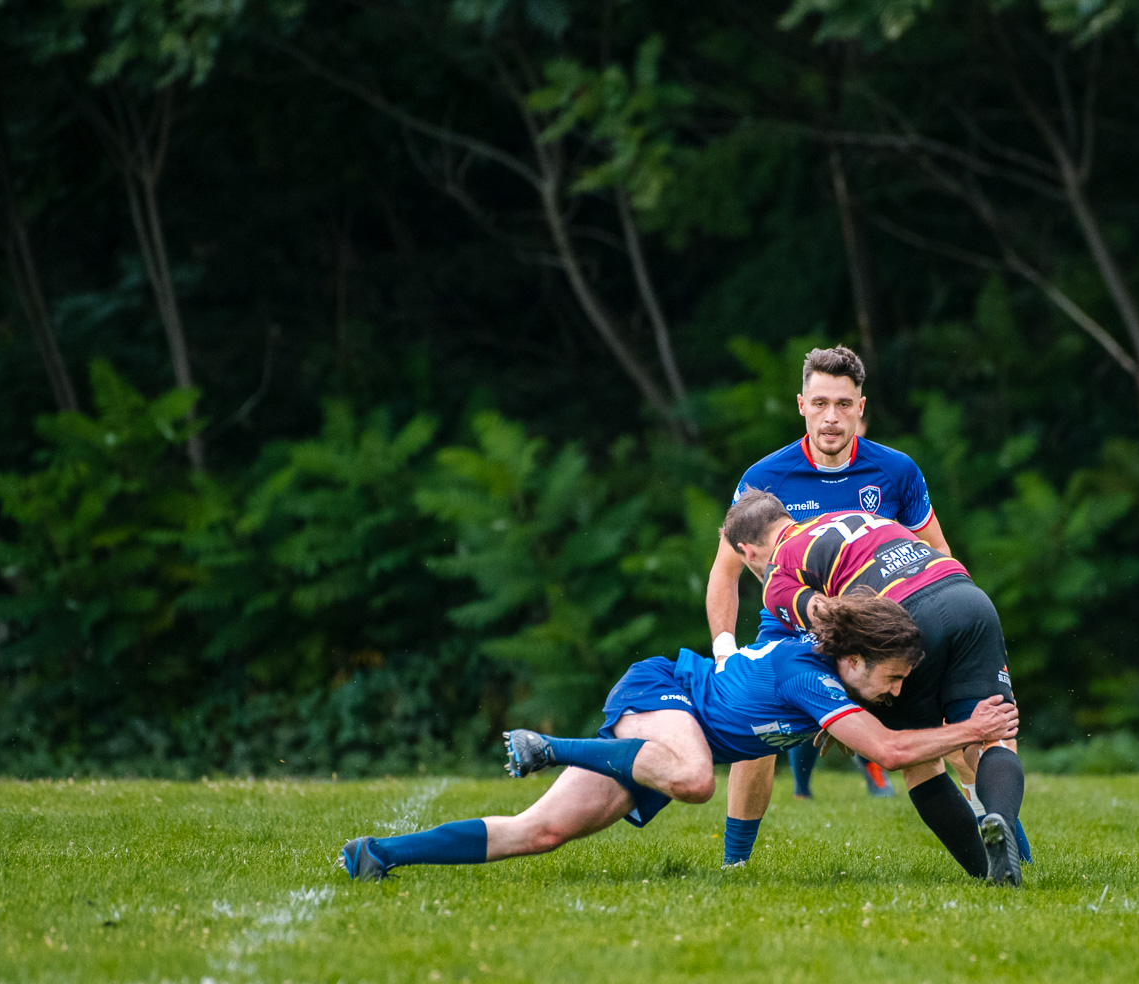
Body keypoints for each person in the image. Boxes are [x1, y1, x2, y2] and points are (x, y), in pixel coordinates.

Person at [336, 594, 1017, 882]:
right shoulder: (812, 677)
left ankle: (379, 855)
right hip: (662, 697)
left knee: (536, 832)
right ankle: (551, 746)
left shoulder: (829, 669)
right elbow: (892, 753)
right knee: (694, 780)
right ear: (855, 660)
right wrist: (976, 729)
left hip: (667, 732)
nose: (899, 693)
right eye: (894, 680)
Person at [705, 345, 953, 850]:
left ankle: (1002, 841)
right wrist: (725, 652)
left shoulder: (896, 471)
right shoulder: (765, 478)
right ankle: (734, 865)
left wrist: (958, 628)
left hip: (879, 635)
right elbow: (725, 572)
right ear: (801, 405)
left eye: (843, 404)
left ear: (861, 408)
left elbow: (938, 553)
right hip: (793, 632)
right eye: (820, 403)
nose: (831, 417)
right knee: (754, 734)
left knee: (948, 724)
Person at [723, 488, 1032, 885]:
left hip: (906, 617)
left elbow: (829, 619)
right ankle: (1000, 821)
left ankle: (990, 873)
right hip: (968, 597)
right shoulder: (852, 517)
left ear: (747, 551)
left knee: (921, 762)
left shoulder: (778, 569)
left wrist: (837, 707)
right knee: (992, 731)